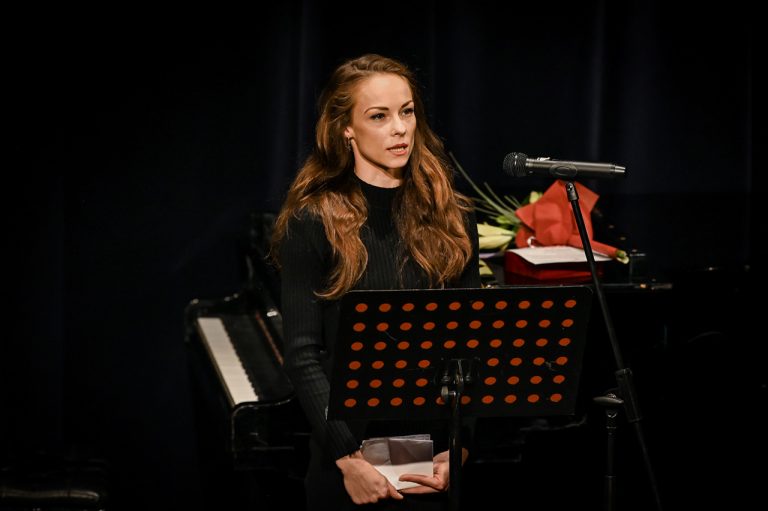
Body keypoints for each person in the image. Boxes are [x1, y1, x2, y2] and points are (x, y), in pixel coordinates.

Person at [270, 53, 480, 510]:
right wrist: (349, 459)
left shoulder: (453, 216)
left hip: (436, 461)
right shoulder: (313, 221)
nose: (400, 128)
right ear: (346, 127)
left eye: (407, 112)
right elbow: (302, 355)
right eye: (379, 116)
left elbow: (470, 344)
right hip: (350, 461)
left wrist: (459, 447)